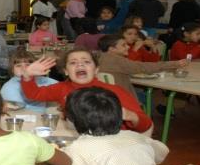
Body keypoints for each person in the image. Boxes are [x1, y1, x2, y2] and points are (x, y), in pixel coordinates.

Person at [21, 49, 152, 133]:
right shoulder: (62, 88)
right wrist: (28, 76)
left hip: (111, 143)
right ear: (66, 71)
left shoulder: (113, 91)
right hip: (78, 139)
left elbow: (145, 125)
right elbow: (34, 94)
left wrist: (130, 115)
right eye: (73, 63)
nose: (80, 65)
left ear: (96, 70)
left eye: (86, 62)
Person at [97, 34, 186, 98]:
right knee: (146, 97)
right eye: (124, 45)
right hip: (120, 98)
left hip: (105, 96)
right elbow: (143, 67)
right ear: (112, 49)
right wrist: (174, 63)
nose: (128, 47)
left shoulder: (100, 57)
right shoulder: (116, 60)